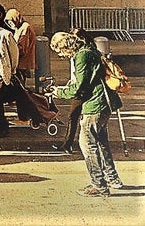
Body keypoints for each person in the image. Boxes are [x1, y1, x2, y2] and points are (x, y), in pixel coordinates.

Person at [50, 31, 124, 197]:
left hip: (95, 104)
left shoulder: (81, 56)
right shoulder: (90, 49)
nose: (61, 56)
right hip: (105, 102)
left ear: (66, 47)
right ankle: (112, 178)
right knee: (101, 141)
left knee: (87, 144)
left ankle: (99, 185)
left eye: (60, 52)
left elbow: (80, 88)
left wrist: (59, 92)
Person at [54, 28, 92, 154]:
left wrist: (60, 92)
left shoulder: (82, 54)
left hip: (83, 91)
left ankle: (68, 143)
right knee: (75, 116)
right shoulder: (81, 53)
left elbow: (80, 83)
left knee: (75, 116)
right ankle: (68, 143)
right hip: (80, 88)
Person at [5, 8, 36, 87]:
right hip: (20, 61)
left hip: (22, 62)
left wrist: (10, 50)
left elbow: (23, 47)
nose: (11, 25)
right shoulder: (19, 27)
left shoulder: (25, 28)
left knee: (20, 84)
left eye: (11, 21)